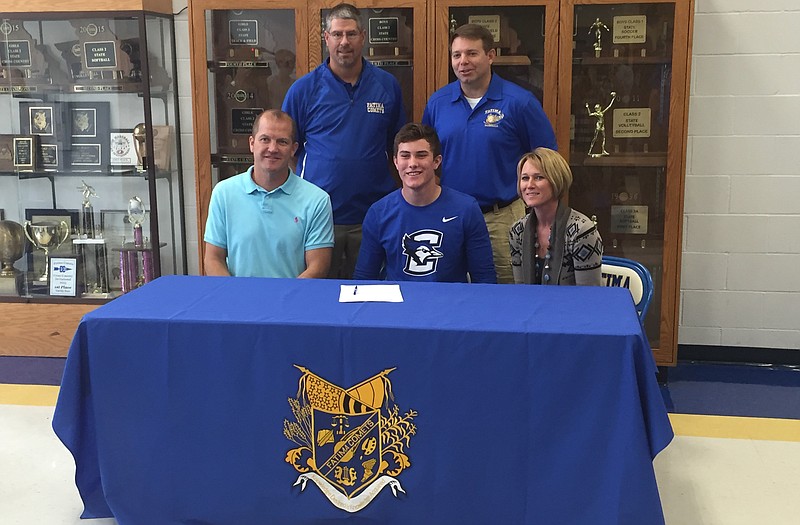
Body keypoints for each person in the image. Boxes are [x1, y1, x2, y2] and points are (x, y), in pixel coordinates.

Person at [422, 23, 557, 284]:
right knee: (449, 292)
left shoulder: (520, 102)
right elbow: (426, 156)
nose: (463, 62)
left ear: (491, 55)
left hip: (501, 218)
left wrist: (541, 213)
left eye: (472, 53)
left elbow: (547, 160)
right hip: (449, 216)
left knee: (504, 293)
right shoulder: (438, 103)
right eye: (456, 55)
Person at [282, 3, 406, 279]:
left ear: (363, 36)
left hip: (373, 216)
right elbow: (287, 150)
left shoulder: (387, 86)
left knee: (371, 296)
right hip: (319, 218)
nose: (344, 42)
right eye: (337, 35)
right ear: (326, 38)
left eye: (351, 34)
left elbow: (398, 150)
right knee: (321, 299)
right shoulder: (303, 90)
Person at [354, 123, 495, 283]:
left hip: (450, 305)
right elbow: (363, 281)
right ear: (395, 162)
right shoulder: (378, 213)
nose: (412, 163)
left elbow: (485, 280)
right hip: (399, 305)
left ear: (436, 161)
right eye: (405, 156)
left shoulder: (466, 210)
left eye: (421, 155)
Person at [204, 109, 334, 278]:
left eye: (282, 142)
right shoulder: (223, 193)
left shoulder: (317, 200)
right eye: (265, 139)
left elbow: (318, 266)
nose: (272, 148)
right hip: (238, 299)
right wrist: (233, 295)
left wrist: (284, 299)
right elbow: (213, 258)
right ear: (252, 143)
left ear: (293, 149)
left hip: (290, 301)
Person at [509, 148, 602, 286]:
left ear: (556, 180)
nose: (529, 185)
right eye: (525, 178)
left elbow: (588, 297)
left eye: (539, 177)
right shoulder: (517, 231)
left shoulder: (582, 231)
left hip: (572, 306)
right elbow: (521, 289)